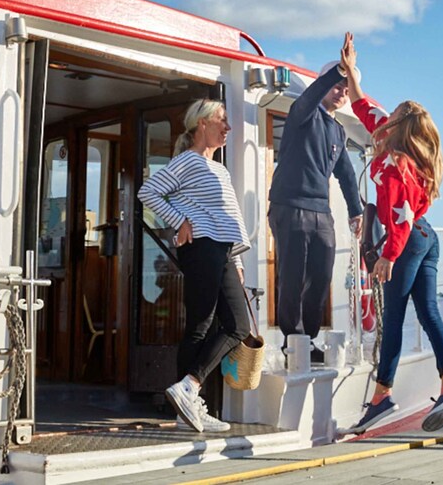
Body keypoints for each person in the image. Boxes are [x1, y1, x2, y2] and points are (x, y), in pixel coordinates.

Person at [340, 33, 443, 434]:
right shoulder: (397, 146)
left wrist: (388, 256)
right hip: (425, 240)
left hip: (408, 241)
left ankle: (382, 397)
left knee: (392, 318)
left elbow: (400, 219)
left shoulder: (395, 163)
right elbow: (363, 107)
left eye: (392, 112)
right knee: (428, 313)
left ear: (398, 124)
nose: (386, 113)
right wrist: (350, 70)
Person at [138, 98, 251, 433]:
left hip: (223, 250)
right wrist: (179, 220)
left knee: (227, 326)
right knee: (208, 326)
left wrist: (238, 260)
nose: (227, 127)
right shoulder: (188, 161)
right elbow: (148, 191)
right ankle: (190, 389)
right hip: (202, 247)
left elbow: (229, 218)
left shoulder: (220, 168)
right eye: (222, 120)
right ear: (202, 123)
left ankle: (187, 406)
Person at [268, 37, 364, 361]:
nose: (341, 93)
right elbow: (308, 97)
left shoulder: (338, 132)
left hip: (321, 212)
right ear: (323, 85)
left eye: (345, 90)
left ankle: (307, 338)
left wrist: (356, 210)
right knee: (292, 276)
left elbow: (347, 175)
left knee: (321, 276)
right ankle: (292, 341)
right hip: (290, 206)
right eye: (337, 86)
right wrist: (339, 69)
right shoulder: (303, 114)